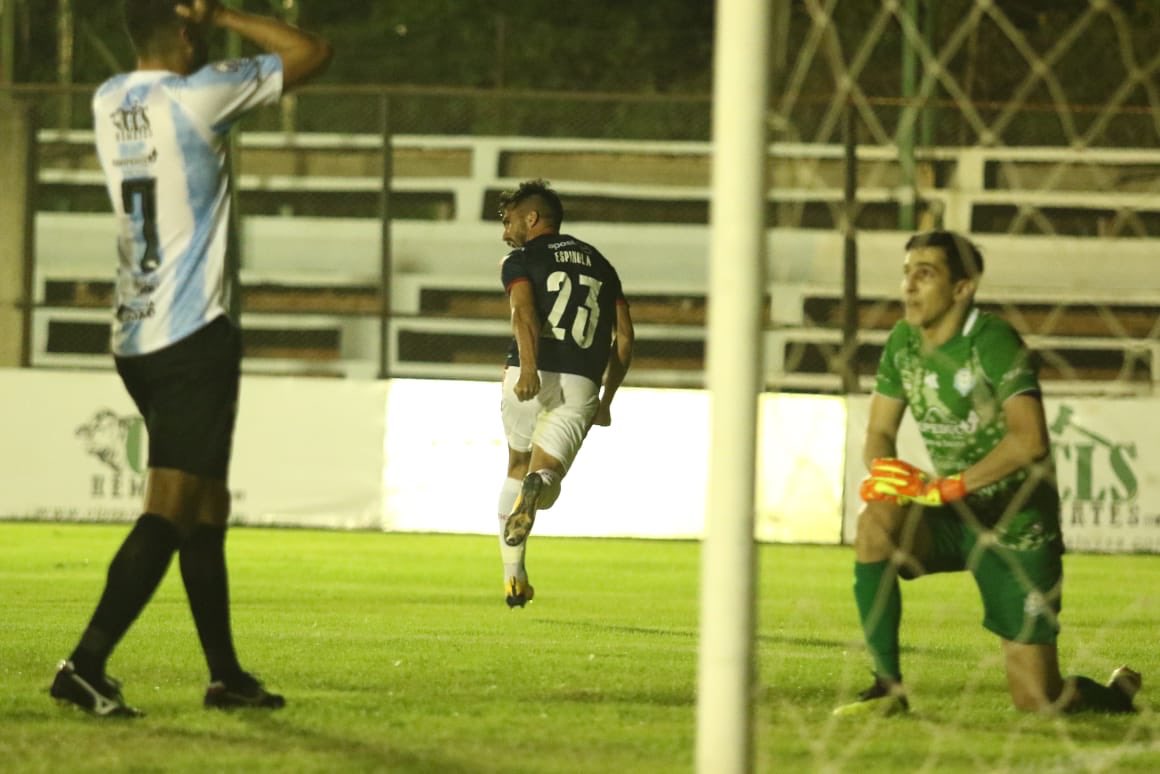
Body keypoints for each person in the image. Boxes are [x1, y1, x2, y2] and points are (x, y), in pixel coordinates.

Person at [49, 0, 331, 717]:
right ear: (180, 37)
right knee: (171, 510)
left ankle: (225, 676)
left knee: (207, 505)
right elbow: (311, 52)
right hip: (190, 335)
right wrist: (228, 13)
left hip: (134, 332)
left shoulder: (109, 99)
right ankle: (84, 664)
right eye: (195, 36)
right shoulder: (198, 96)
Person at [834, 230, 1141, 716]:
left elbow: (1030, 439)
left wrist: (946, 485)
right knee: (876, 520)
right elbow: (878, 431)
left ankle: (1115, 695)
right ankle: (886, 689)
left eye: (926, 273)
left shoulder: (993, 341)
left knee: (1038, 701)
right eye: (906, 272)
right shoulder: (902, 342)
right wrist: (887, 472)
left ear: (963, 288)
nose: (909, 285)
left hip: (1017, 528)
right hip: (955, 516)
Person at [494, 179, 634, 608]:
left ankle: (513, 576)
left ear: (531, 218)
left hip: (527, 373)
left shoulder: (520, 259)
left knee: (516, 464)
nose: (505, 230)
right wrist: (607, 400)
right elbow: (625, 337)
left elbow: (524, 311)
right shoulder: (601, 264)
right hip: (582, 383)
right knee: (545, 475)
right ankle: (541, 485)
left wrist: (531, 369)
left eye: (510, 220)